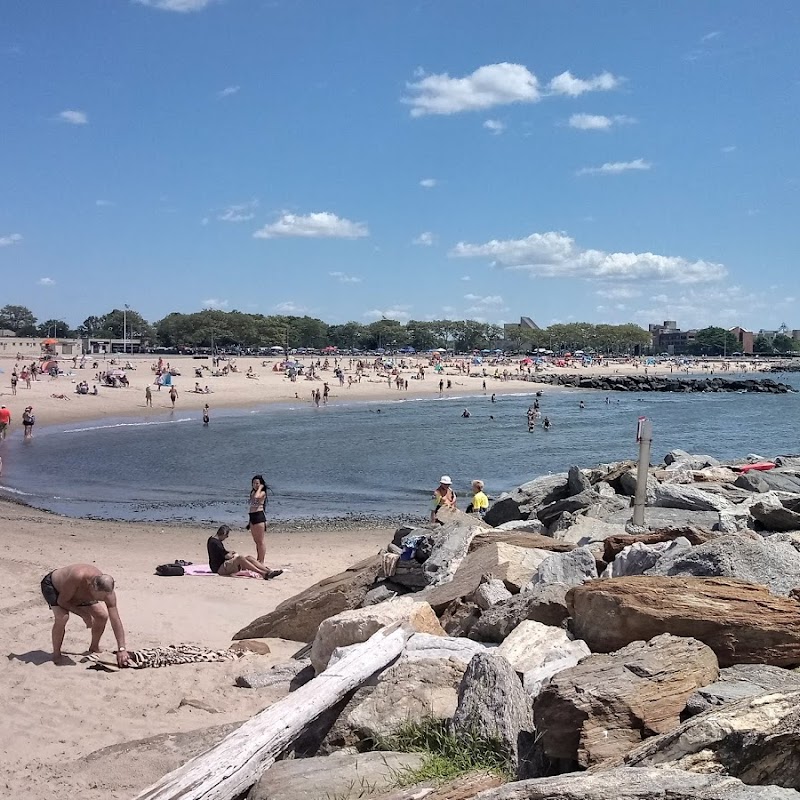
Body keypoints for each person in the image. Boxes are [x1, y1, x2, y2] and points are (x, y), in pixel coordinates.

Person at [40, 564, 130, 666]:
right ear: (92, 587)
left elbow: (115, 619)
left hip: (78, 593)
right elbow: (62, 601)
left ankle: (94, 647)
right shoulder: (77, 576)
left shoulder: (108, 593)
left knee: (101, 616)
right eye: (100, 598)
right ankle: (56, 653)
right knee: (62, 617)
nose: (103, 600)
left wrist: (122, 648)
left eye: (105, 597)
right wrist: (84, 615)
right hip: (54, 587)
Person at [207, 525, 282, 579]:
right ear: (223, 534)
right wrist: (232, 555)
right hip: (218, 568)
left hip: (221, 565)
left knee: (249, 558)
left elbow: (220, 553)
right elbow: (226, 556)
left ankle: (268, 571)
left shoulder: (212, 540)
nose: (227, 537)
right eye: (226, 535)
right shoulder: (216, 543)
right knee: (240, 558)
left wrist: (229, 552)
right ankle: (263, 573)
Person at [248, 474, 268, 563]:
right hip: (252, 517)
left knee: (260, 541)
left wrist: (260, 488)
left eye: (257, 483)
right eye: (254, 483)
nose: (255, 485)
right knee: (256, 541)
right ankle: (258, 559)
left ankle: (261, 561)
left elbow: (257, 497)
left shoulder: (262, 493)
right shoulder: (253, 492)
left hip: (259, 516)